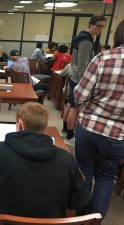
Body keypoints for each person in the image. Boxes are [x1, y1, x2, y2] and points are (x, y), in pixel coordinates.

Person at [0, 102, 91, 225]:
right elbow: (82, 201)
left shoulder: (0, 151)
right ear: (44, 127)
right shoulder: (66, 159)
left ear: (19, 124)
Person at [73, 19, 124, 219]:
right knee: (105, 176)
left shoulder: (104, 58)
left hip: (90, 126)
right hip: (118, 134)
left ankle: (80, 216)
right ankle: (95, 220)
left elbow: (79, 96)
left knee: (84, 171)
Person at [63, 14, 106, 146]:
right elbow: (83, 65)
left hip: (74, 77)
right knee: (75, 109)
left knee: (70, 105)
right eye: (98, 26)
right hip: (79, 79)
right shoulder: (86, 40)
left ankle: (65, 130)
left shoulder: (82, 36)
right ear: (91, 24)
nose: (100, 30)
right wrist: (85, 84)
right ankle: (70, 136)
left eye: (102, 27)